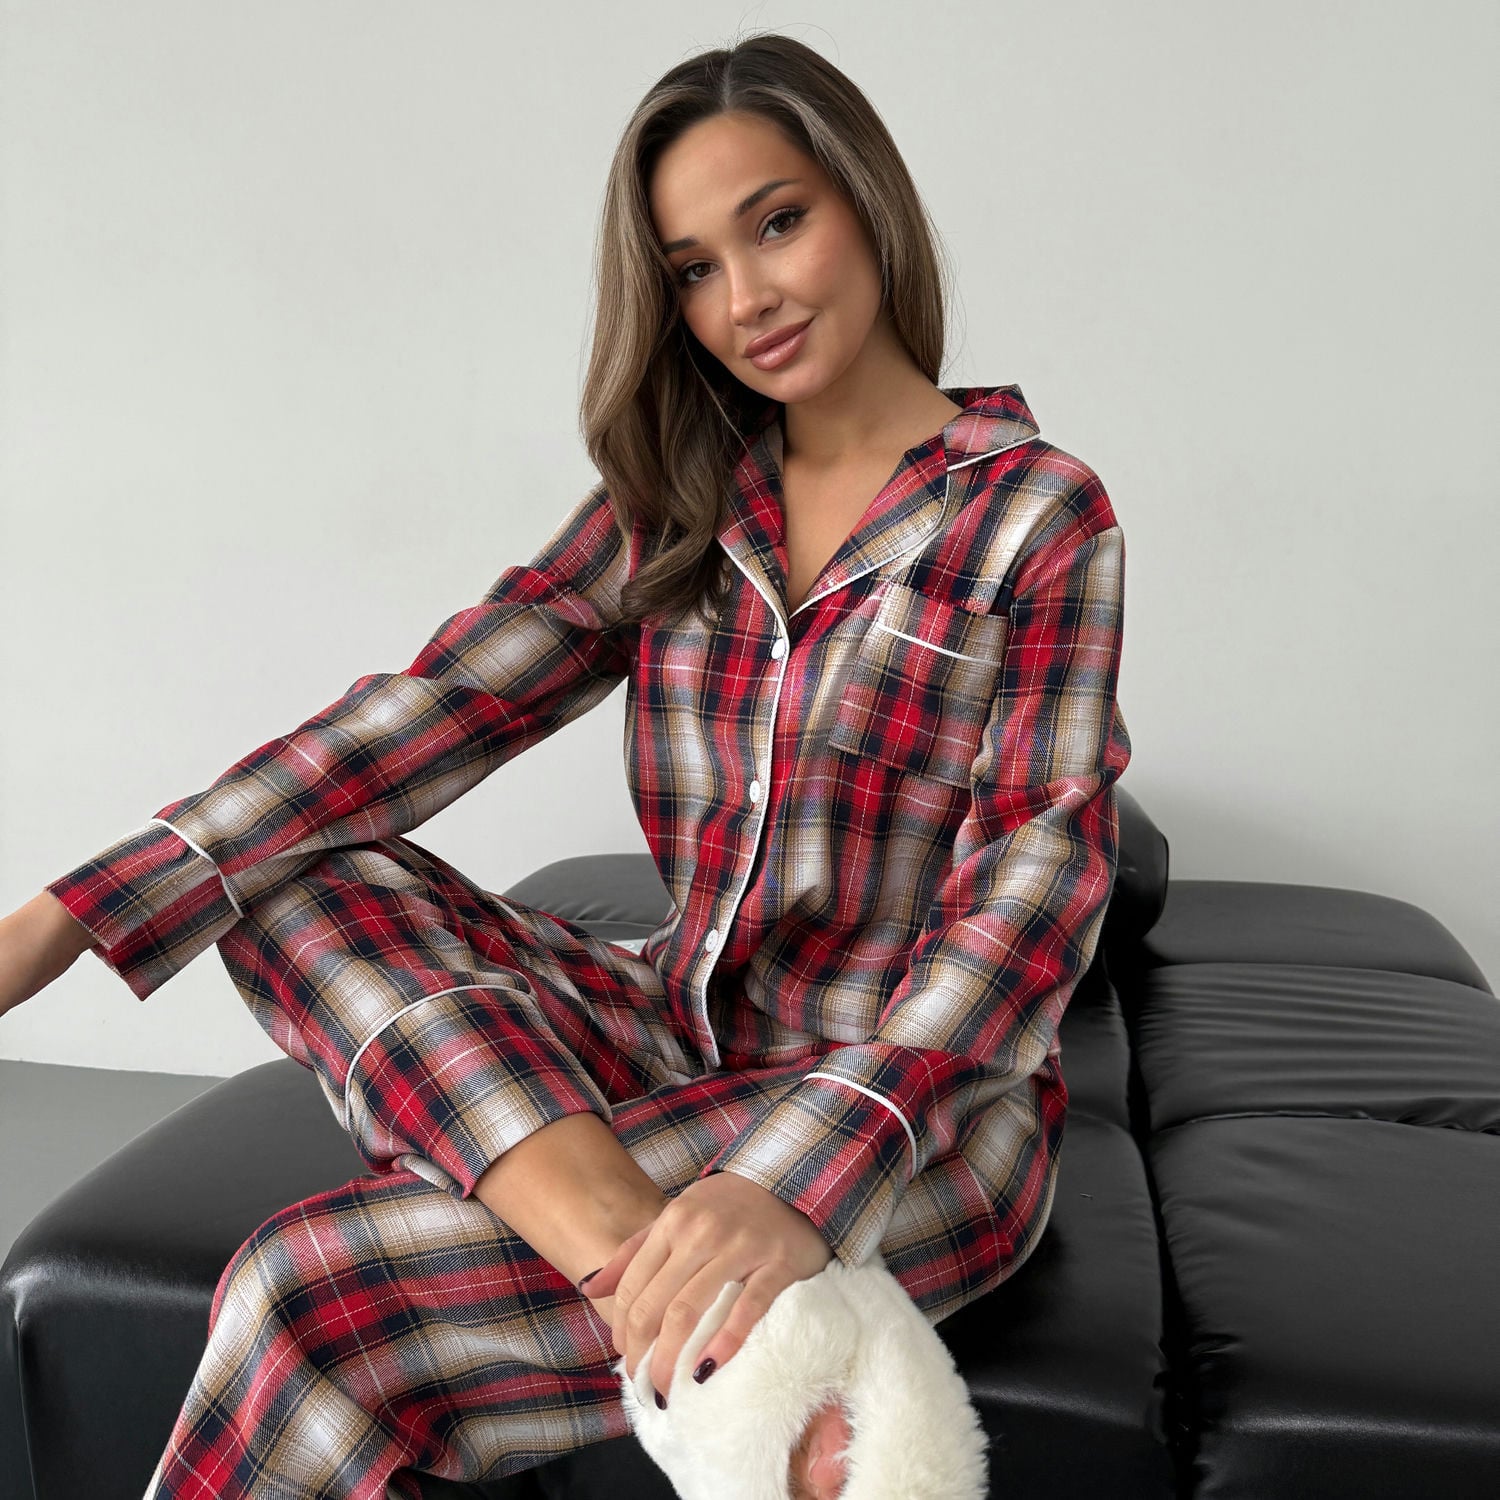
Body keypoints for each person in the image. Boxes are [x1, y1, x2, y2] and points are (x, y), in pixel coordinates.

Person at [0, 28, 1130, 1500]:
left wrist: (793, 1184)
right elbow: (430, 708)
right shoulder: (683, 496)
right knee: (288, 873)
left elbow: (1034, 890)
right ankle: (643, 1268)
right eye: (693, 268)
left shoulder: (1036, 515)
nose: (746, 299)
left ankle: (712, 1288)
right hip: (677, 1031)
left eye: (777, 222)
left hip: (919, 1121)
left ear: (868, 201)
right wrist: (61, 918)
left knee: (306, 1287)